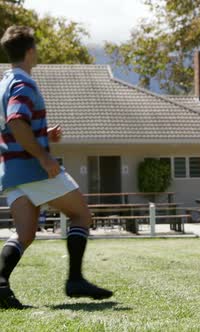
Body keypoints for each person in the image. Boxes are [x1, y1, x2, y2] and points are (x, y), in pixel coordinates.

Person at [0, 26, 113, 309]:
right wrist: (43, 155)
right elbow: (15, 120)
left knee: (25, 234)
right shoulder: (23, 83)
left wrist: (42, 133)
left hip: (11, 171)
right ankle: (75, 279)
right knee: (81, 215)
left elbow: (11, 125)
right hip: (32, 168)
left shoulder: (4, 83)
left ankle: (0, 283)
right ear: (30, 51)